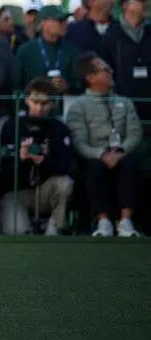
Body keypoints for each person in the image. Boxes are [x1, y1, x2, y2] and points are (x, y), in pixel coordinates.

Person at [65, 53, 142, 238]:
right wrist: (102, 154)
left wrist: (120, 152)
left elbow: (135, 133)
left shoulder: (125, 102)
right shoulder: (78, 106)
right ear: (90, 78)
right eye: (106, 70)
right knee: (93, 168)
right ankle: (103, 221)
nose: (111, 71)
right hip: (95, 156)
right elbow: (79, 142)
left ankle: (125, 222)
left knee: (130, 164)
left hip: (121, 153)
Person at [0, 79, 75, 236]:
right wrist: (20, 158)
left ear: (53, 104)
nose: (39, 108)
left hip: (46, 189)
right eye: (35, 102)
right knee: (18, 232)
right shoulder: (13, 127)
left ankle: (56, 226)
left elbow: (67, 166)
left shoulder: (60, 129)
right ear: (27, 100)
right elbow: (4, 173)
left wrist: (43, 161)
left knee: (65, 183)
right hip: (18, 193)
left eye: (45, 103)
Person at [99, 0, 150, 124]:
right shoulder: (111, 35)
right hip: (122, 110)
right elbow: (106, 70)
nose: (146, 4)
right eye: (140, 1)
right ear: (126, 5)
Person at [13, 6, 80, 96]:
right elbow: (17, 87)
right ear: (43, 23)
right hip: (34, 107)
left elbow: (80, 85)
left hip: (63, 107)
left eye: (65, 20)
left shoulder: (71, 50)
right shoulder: (26, 51)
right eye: (60, 20)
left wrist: (67, 87)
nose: (65, 24)